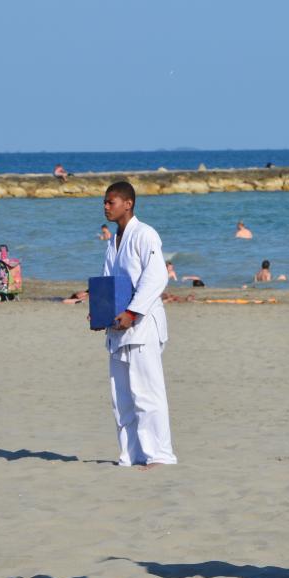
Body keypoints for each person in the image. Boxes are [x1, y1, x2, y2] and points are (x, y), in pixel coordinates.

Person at [99, 181, 177, 470]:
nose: (106, 207)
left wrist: (132, 312)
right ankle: (132, 454)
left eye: (111, 202)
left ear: (128, 204)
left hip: (142, 325)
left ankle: (160, 455)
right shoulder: (112, 241)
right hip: (117, 327)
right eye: (105, 202)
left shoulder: (145, 234)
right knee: (121, 397)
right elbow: (109, 282)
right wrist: (100, 311)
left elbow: (156, 277)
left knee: (147, 392)